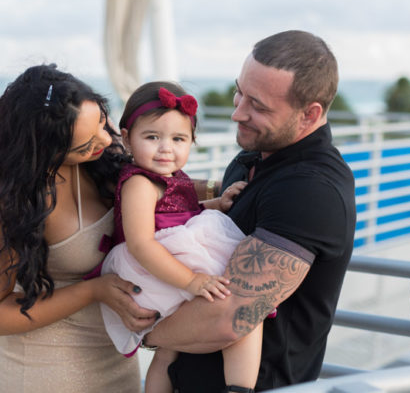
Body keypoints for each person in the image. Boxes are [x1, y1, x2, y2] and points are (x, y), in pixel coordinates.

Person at [144, 30, 357, 392]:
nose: (236, 112)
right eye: (239, 91)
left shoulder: (311, 189)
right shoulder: (255, 156)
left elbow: (230, 317)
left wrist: (142, 331)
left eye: (258, 106)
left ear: (310, 114)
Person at [0, 64, 158, 393]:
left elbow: (158, 192)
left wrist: (219, 192)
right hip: (42, 368)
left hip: (113, 358)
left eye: (102, 123)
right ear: (44, 150)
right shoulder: (6, 193)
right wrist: (93, 290)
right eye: (83, 146)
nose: (106, 141)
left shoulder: (104, 156)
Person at [99, 81, 262, 393]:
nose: (166, 148)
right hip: (152, 269)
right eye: (152, 137)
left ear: (192, 141)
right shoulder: (140, 184)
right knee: (245, 312)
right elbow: (141, 242)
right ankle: (240, 388)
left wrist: (216, 203)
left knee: (169, 349)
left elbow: (177, 213)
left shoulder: (170, 178)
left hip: (167, 261)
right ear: (127, 138)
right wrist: (192, 281)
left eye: (178, 139)